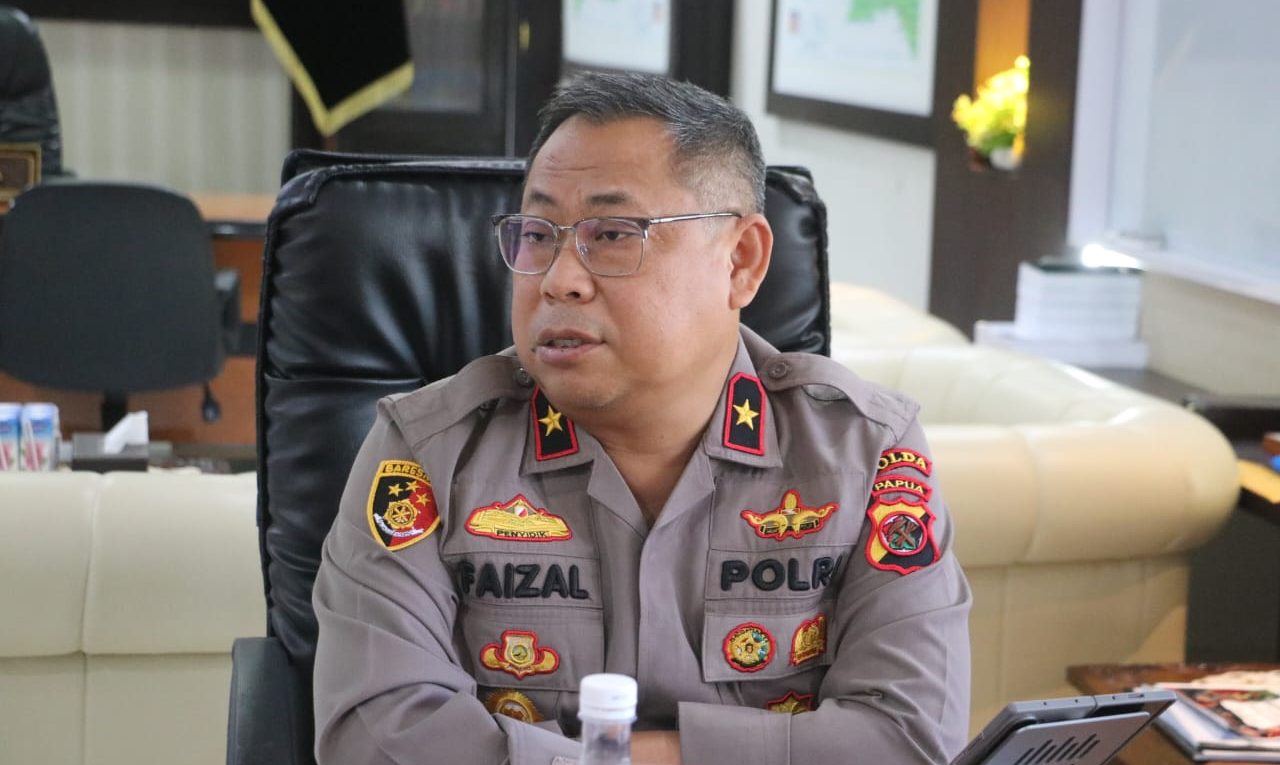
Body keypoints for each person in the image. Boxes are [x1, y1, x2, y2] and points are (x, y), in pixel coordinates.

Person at [312, 72, 971, 765]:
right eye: (538, 234)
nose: (559, 279)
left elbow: (911, 739)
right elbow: (372, 741)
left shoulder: (864, 454)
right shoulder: (426, 453)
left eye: (612, 235)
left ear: (741, 261)